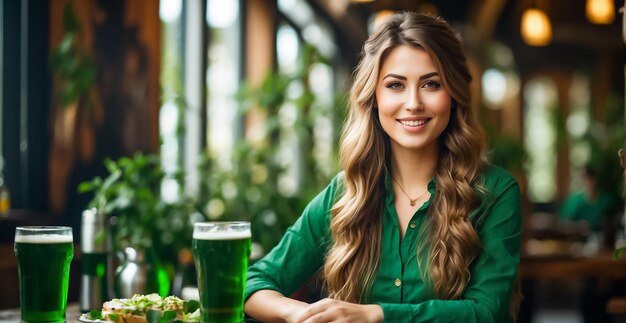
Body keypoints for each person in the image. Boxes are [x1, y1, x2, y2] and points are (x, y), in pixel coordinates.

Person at [244, 12, 522, 323]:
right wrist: (304, 316)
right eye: (395, 85)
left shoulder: (495, 192)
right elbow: (252, 283)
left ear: (454, 95)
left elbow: (487, 313)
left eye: (431, 84)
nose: (413, 102)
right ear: (374, 97)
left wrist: (375, 315)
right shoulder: (344, 194)